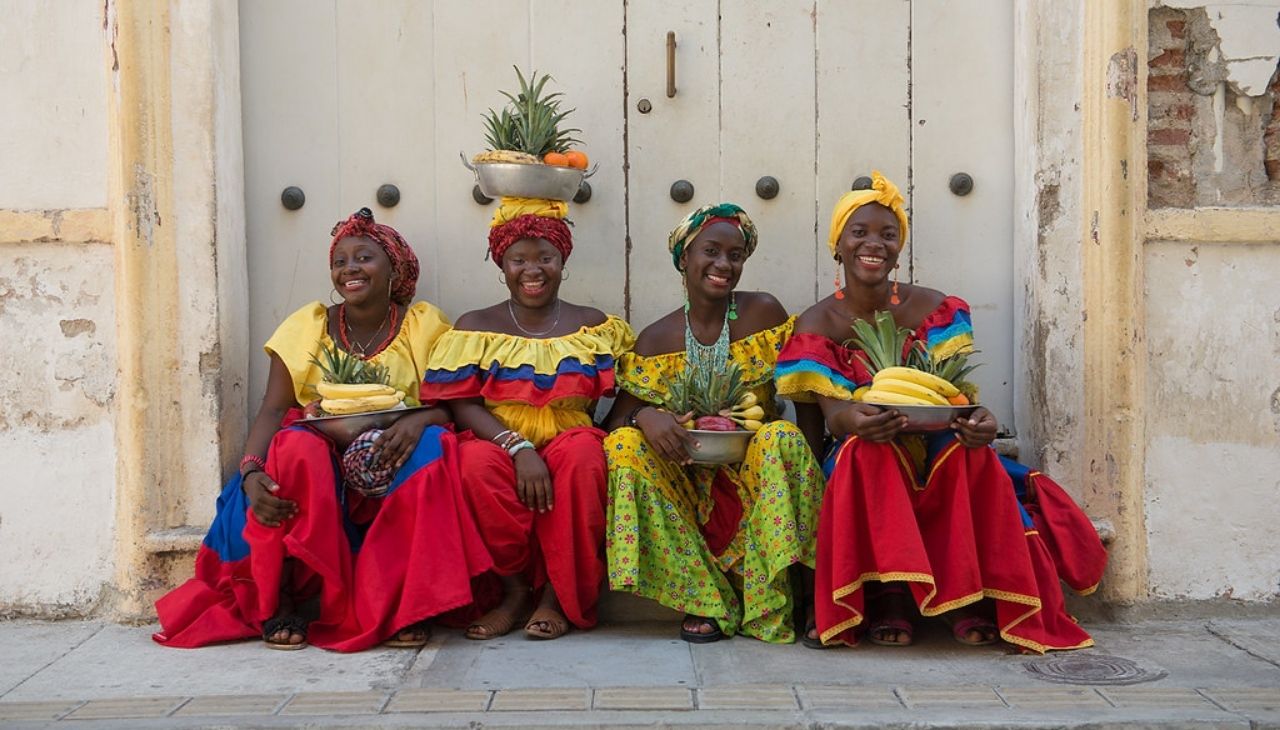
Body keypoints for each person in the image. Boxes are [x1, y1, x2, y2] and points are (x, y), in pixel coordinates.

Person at [775, 173, 1105, 652]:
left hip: (934, 440)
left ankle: (965, 598)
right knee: (873, 451)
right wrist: (857, 420)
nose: (874, 245)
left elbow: (956, 397)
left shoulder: (933, 309)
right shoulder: (817, 323)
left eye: (888, 236)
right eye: (860, 233)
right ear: (838, 245)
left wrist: (981, 421)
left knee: (963, 450)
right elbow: (831, 416)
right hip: (858, 445)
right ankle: (890, 598)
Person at [154, 208, 492, 652]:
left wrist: (422, 418)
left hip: (391, 456)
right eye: (340, 261)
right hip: (324, 457)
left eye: (365, 258)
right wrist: (253, 472)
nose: (349, 268)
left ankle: (401, 606)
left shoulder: (423, 326)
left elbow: (454, 404)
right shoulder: (308, 326)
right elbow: (274, 410)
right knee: (295, 448)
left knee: (433, 444)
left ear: (395, 268)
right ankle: (284, 600)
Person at [603, 203, 827, 644]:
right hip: (686, 480)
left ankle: (801, 595)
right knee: (623, 447)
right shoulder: (657, 338)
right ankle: (707, 598)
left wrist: (811, 476)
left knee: (782, 436)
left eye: (736, 255)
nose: (724, 264)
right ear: (684, 257)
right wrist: (644, 416)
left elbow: (806, 398)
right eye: (711, 251)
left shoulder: (763, 313)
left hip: (758, 472)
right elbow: (612, 425)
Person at [421, 198, 634, 640]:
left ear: (562, 262)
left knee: (583, 460)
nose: (532, 270)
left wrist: (606, 432)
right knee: (474, 467)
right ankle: (514, 590)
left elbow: (634, 387)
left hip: (570, 435)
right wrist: (516, 447)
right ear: (502, 265)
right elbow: (462, 403)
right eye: (519, 259)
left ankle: (556, 595)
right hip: (496, 437)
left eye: (545, 258)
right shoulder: (475, 325)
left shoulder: (592, 324)